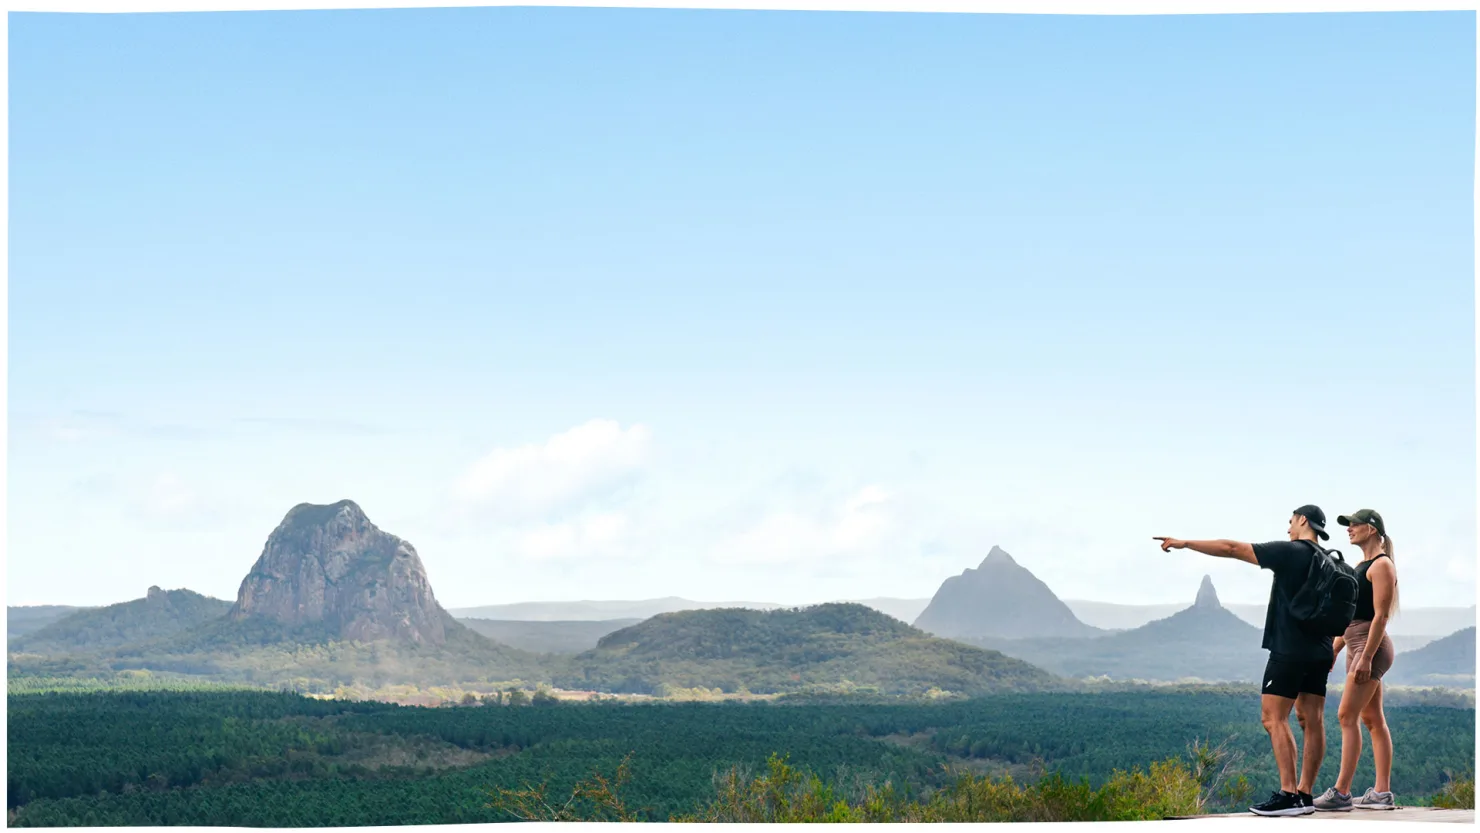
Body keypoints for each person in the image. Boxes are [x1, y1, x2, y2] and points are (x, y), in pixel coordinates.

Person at [1154, 505, 1336, 817]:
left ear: (1303, 520)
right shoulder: (1330, 561)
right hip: (1321, 650)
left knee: (1273, 718)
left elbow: (1232, 548)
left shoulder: (1292, 552)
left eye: (1291, 521)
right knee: (1312, 720)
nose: (1288, 528)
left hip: (1289, 649)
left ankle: (1288, 795)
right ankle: (1305, 795)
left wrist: (1186, 543)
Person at [1312, 509, 1399, 812]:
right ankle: (1382, 793)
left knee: (1346, 716)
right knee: (1372, 720)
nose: (1349, 529)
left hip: (1369, 648)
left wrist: (1366, 657)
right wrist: (1335, 649)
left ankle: (1341, 792)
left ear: (1373, 529)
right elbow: (1352, 618)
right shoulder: (1360, 566)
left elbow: (1380, 616)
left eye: (1354, 524)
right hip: (1356, 645)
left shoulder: (1381, 565)